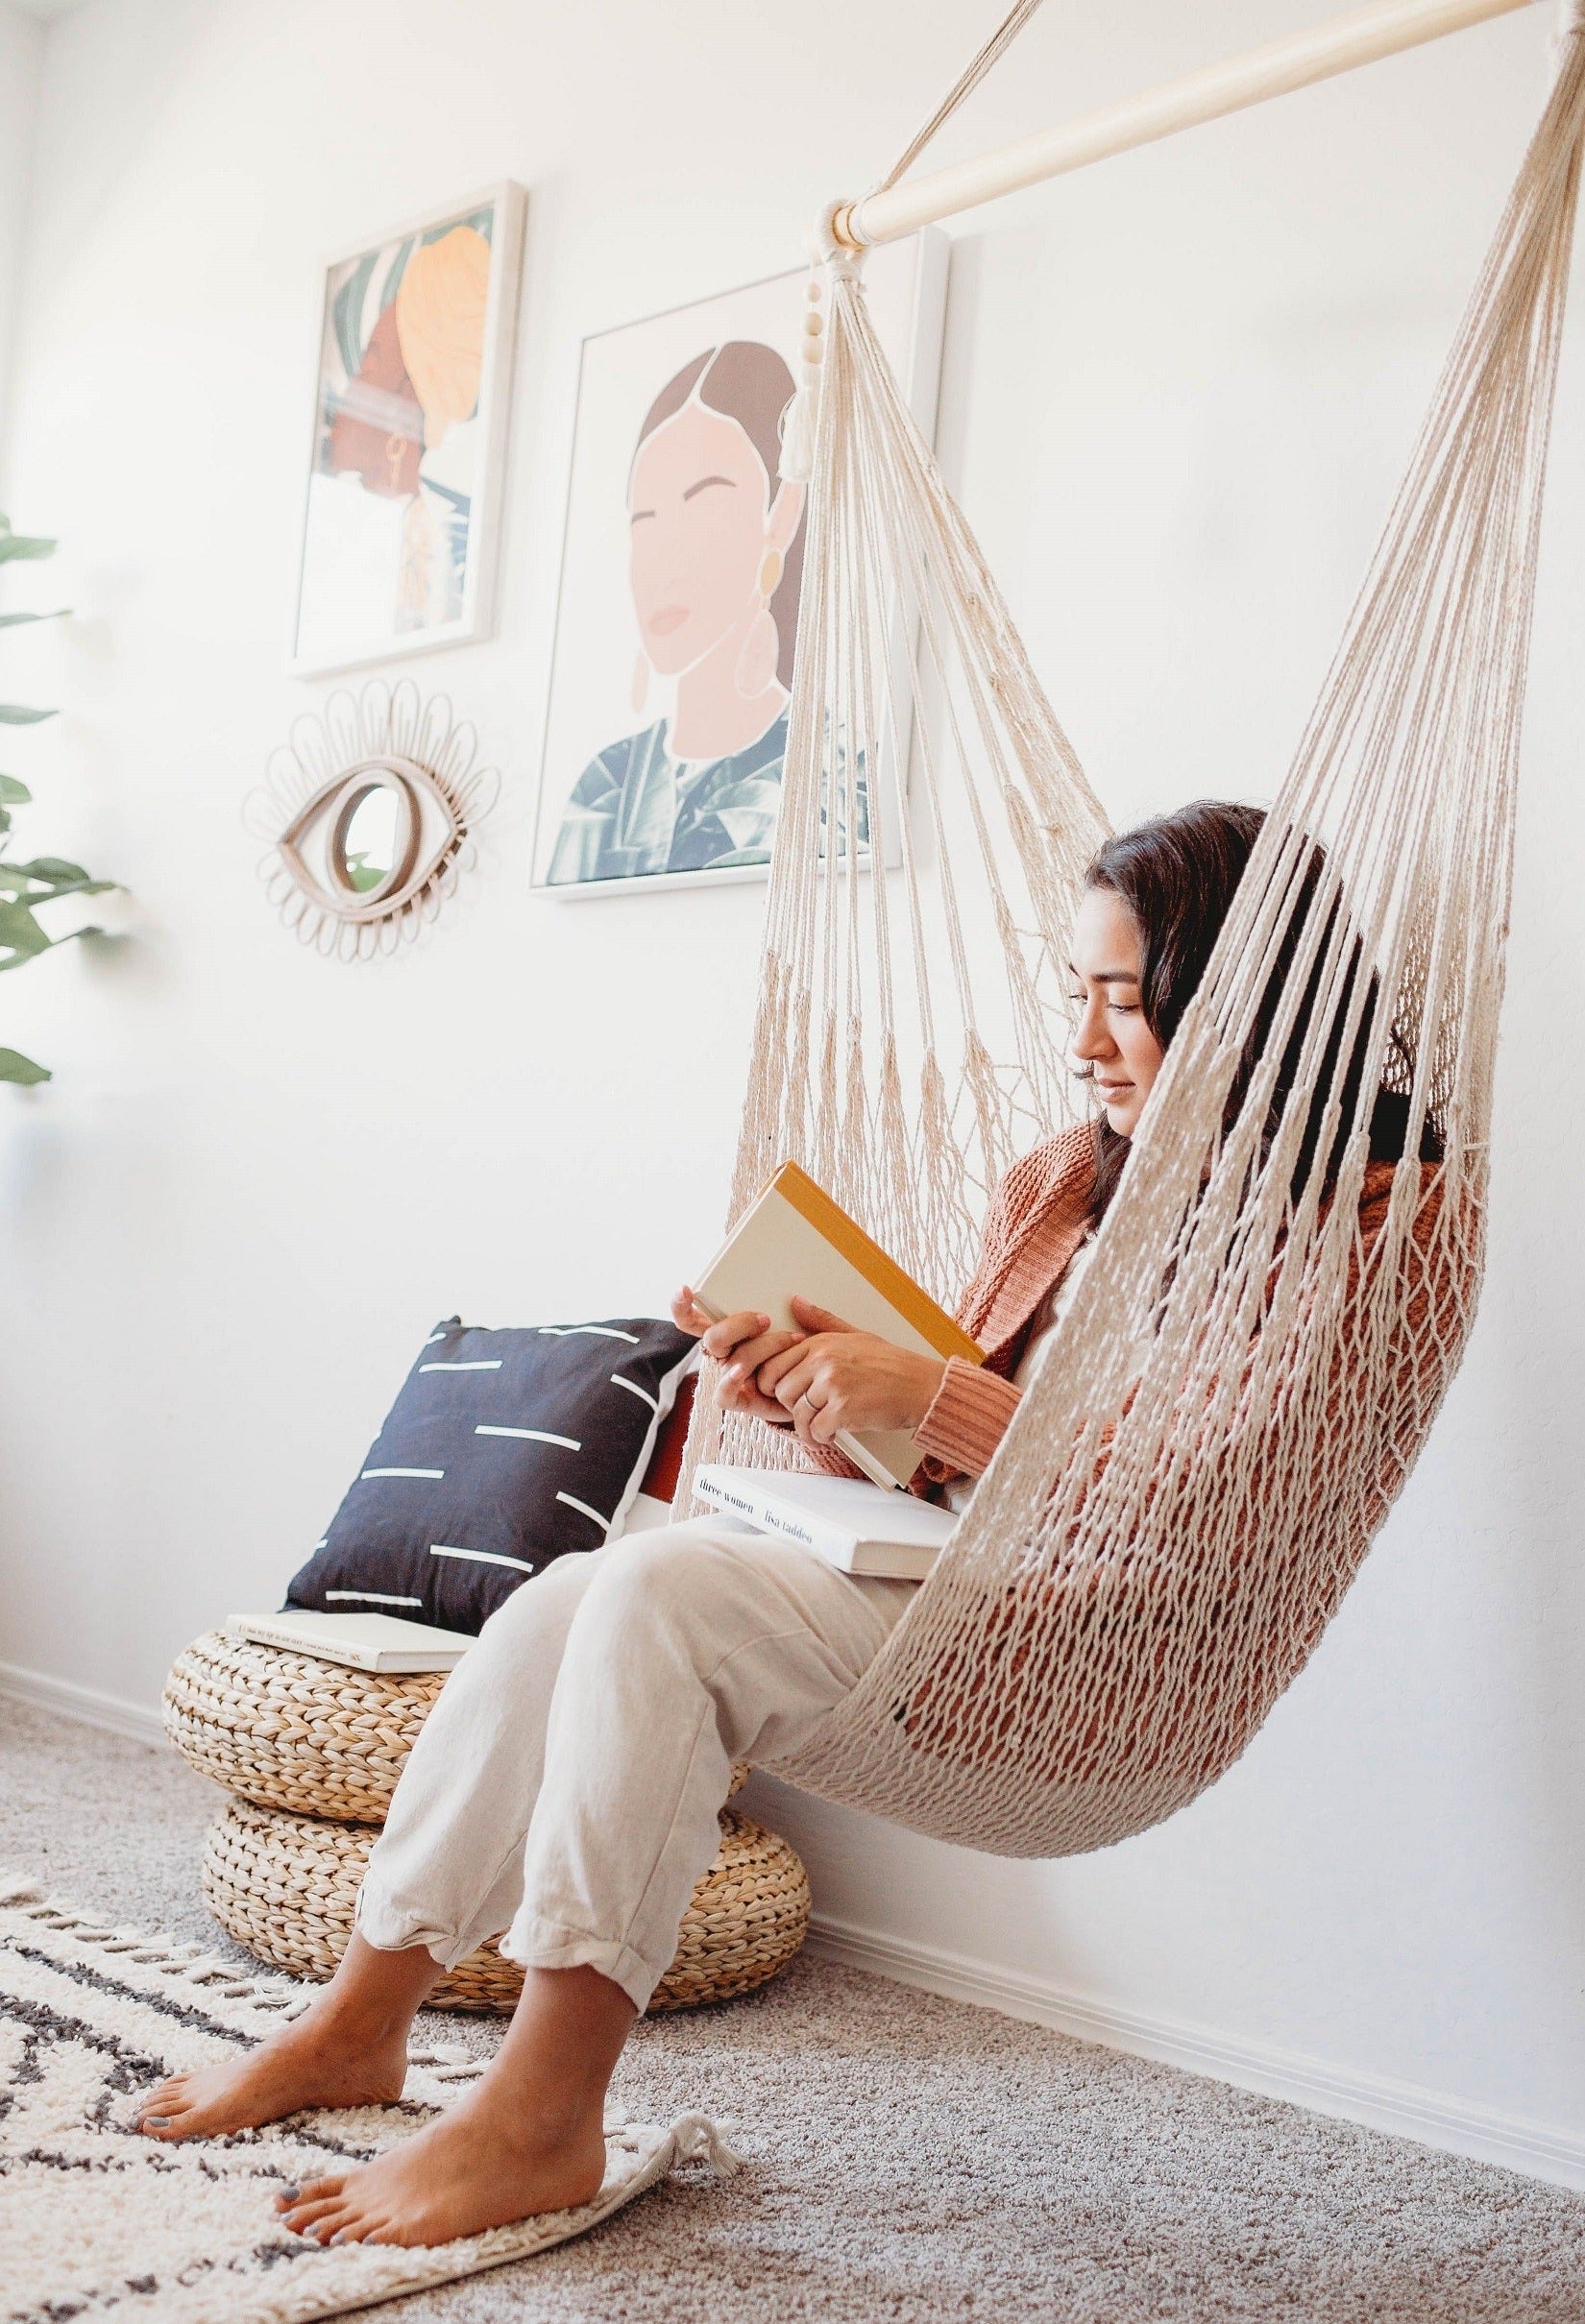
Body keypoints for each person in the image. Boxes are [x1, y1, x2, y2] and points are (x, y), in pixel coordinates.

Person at [134, 801, 1432, 2248]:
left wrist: (931, 1394)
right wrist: (827, 1389)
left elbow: (1205, 1495)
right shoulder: (1068, 1182)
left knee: (661, 1600)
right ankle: (357, 2024)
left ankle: (540, 2115)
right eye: (1078, 995)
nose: (1084, 1043)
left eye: (1125, 1003)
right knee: (579, 1592)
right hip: (950, 1593)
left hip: (1106, 1662)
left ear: (1246, 1000)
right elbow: (944, 1473)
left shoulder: (1379, 1220)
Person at [545, 341, 807, 885]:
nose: (664, 557)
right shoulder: (605, 786)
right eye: (645, 520)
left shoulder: (829, 771)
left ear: (779, 517)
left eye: (704, 505)